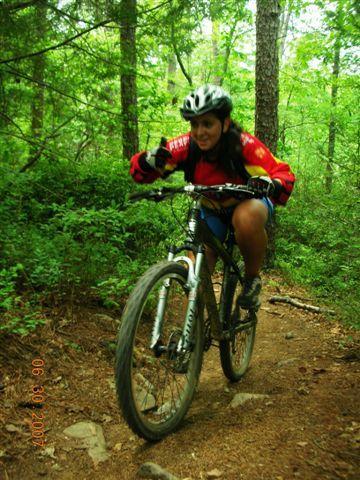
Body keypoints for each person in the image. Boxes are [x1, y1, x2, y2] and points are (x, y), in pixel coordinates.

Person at [130, 84, 295, 308]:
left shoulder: (243, 144)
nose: (200, 132)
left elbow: (281, 171)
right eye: (195, 124)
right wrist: (147, 161)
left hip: (245, 203)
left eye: (207, 123)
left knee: (246, 218)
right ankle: (196, 333)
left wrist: (273, 185)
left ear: (225, 123)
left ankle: (252, 279)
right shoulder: (187, 145)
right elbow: (144, 171)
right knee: (197, 271)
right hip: (211, 210)